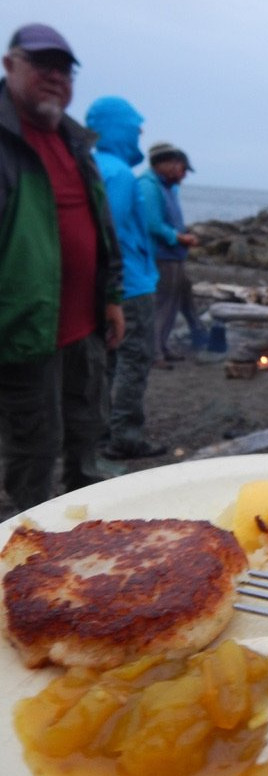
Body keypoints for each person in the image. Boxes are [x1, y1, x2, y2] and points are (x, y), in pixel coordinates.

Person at [0, 23, 124, 512]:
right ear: (10, 65)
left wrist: (111, 297)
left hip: (85, 327)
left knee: (87, 429)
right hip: (25, 330)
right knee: (34, 449)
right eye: (42, 65)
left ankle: (87, 531)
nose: (55, 77)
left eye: (64, 70)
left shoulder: (75, 143)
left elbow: (99, 226)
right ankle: (25, 550)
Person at [85, 96, 166, 460]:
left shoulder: (91, 165)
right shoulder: (117, 173)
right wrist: (116, 288)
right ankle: (125, 436)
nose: (140, 135)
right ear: (118, 129)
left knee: (110, 361)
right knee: (134, 359)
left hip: (108, 286)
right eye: (135, 128)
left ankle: (102, 430)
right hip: (130, 286)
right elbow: (109, 234)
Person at [138, 141, 205, 366]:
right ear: (168, 164)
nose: (184, 175)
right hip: (160, 256)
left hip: (174, 256)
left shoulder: (167, 187)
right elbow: (152, 224)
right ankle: (154, 353)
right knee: (162, 305)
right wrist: (178, 238)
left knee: (173, 304)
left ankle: (163, 346)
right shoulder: (149, 186)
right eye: (182, 169)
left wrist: (183, 234)